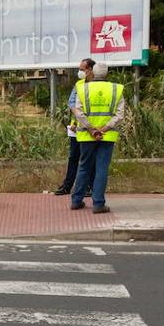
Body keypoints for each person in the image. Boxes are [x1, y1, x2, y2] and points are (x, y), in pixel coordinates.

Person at [69, 62, 127, 214]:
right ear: (106, 74)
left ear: (92, 73)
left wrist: (91, 129)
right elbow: (120, 115)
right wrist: (104, 128)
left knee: (83, 166)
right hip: (107, 136)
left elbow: (78, 112)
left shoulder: (82, 89)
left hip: (87, 135)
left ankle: (76, 201)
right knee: (101, 168)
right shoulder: (116, 89)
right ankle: (98, 204)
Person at [54, 58, 96, 195]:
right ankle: (67, 186)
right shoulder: (79, 84)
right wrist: (76, 120)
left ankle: (89, 186)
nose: (80, 72)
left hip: (94, 129)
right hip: (77, 128)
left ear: (90, 70)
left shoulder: (97, 85)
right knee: (74, 158)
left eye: (82, 69)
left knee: (89, 159)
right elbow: (72, 103)